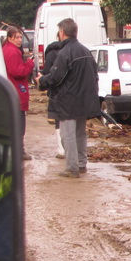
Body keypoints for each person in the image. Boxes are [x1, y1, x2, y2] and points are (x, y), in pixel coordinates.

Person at [38, 18, 100, 178]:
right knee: (80, 134)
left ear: (62, 33)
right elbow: (95, 76)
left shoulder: (65, 53)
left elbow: (55, 78)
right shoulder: (86, 51)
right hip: (84, 101)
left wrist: (41, 81)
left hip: (68, 101)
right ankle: (81, 164)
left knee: (68, 135)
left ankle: (72, 168)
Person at [2, 25, 34, 160]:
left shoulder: (8, 50)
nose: (20, 40)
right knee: (19, 124)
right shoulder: (12, 52)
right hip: (16, 91)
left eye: (21, 37)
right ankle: (18, 151)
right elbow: (18, 71)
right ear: (10, 38)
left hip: (12, 90)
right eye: (17, 37)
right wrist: (29, 64)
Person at [42, 36, 68, 159]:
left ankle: (61, 150)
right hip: (71, 93)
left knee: (58, 120)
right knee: (72, 121)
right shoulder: (72, 51)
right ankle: (72, 149)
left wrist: (43, 83)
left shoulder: (51, 52)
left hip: (56, 92)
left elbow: (47, 71)